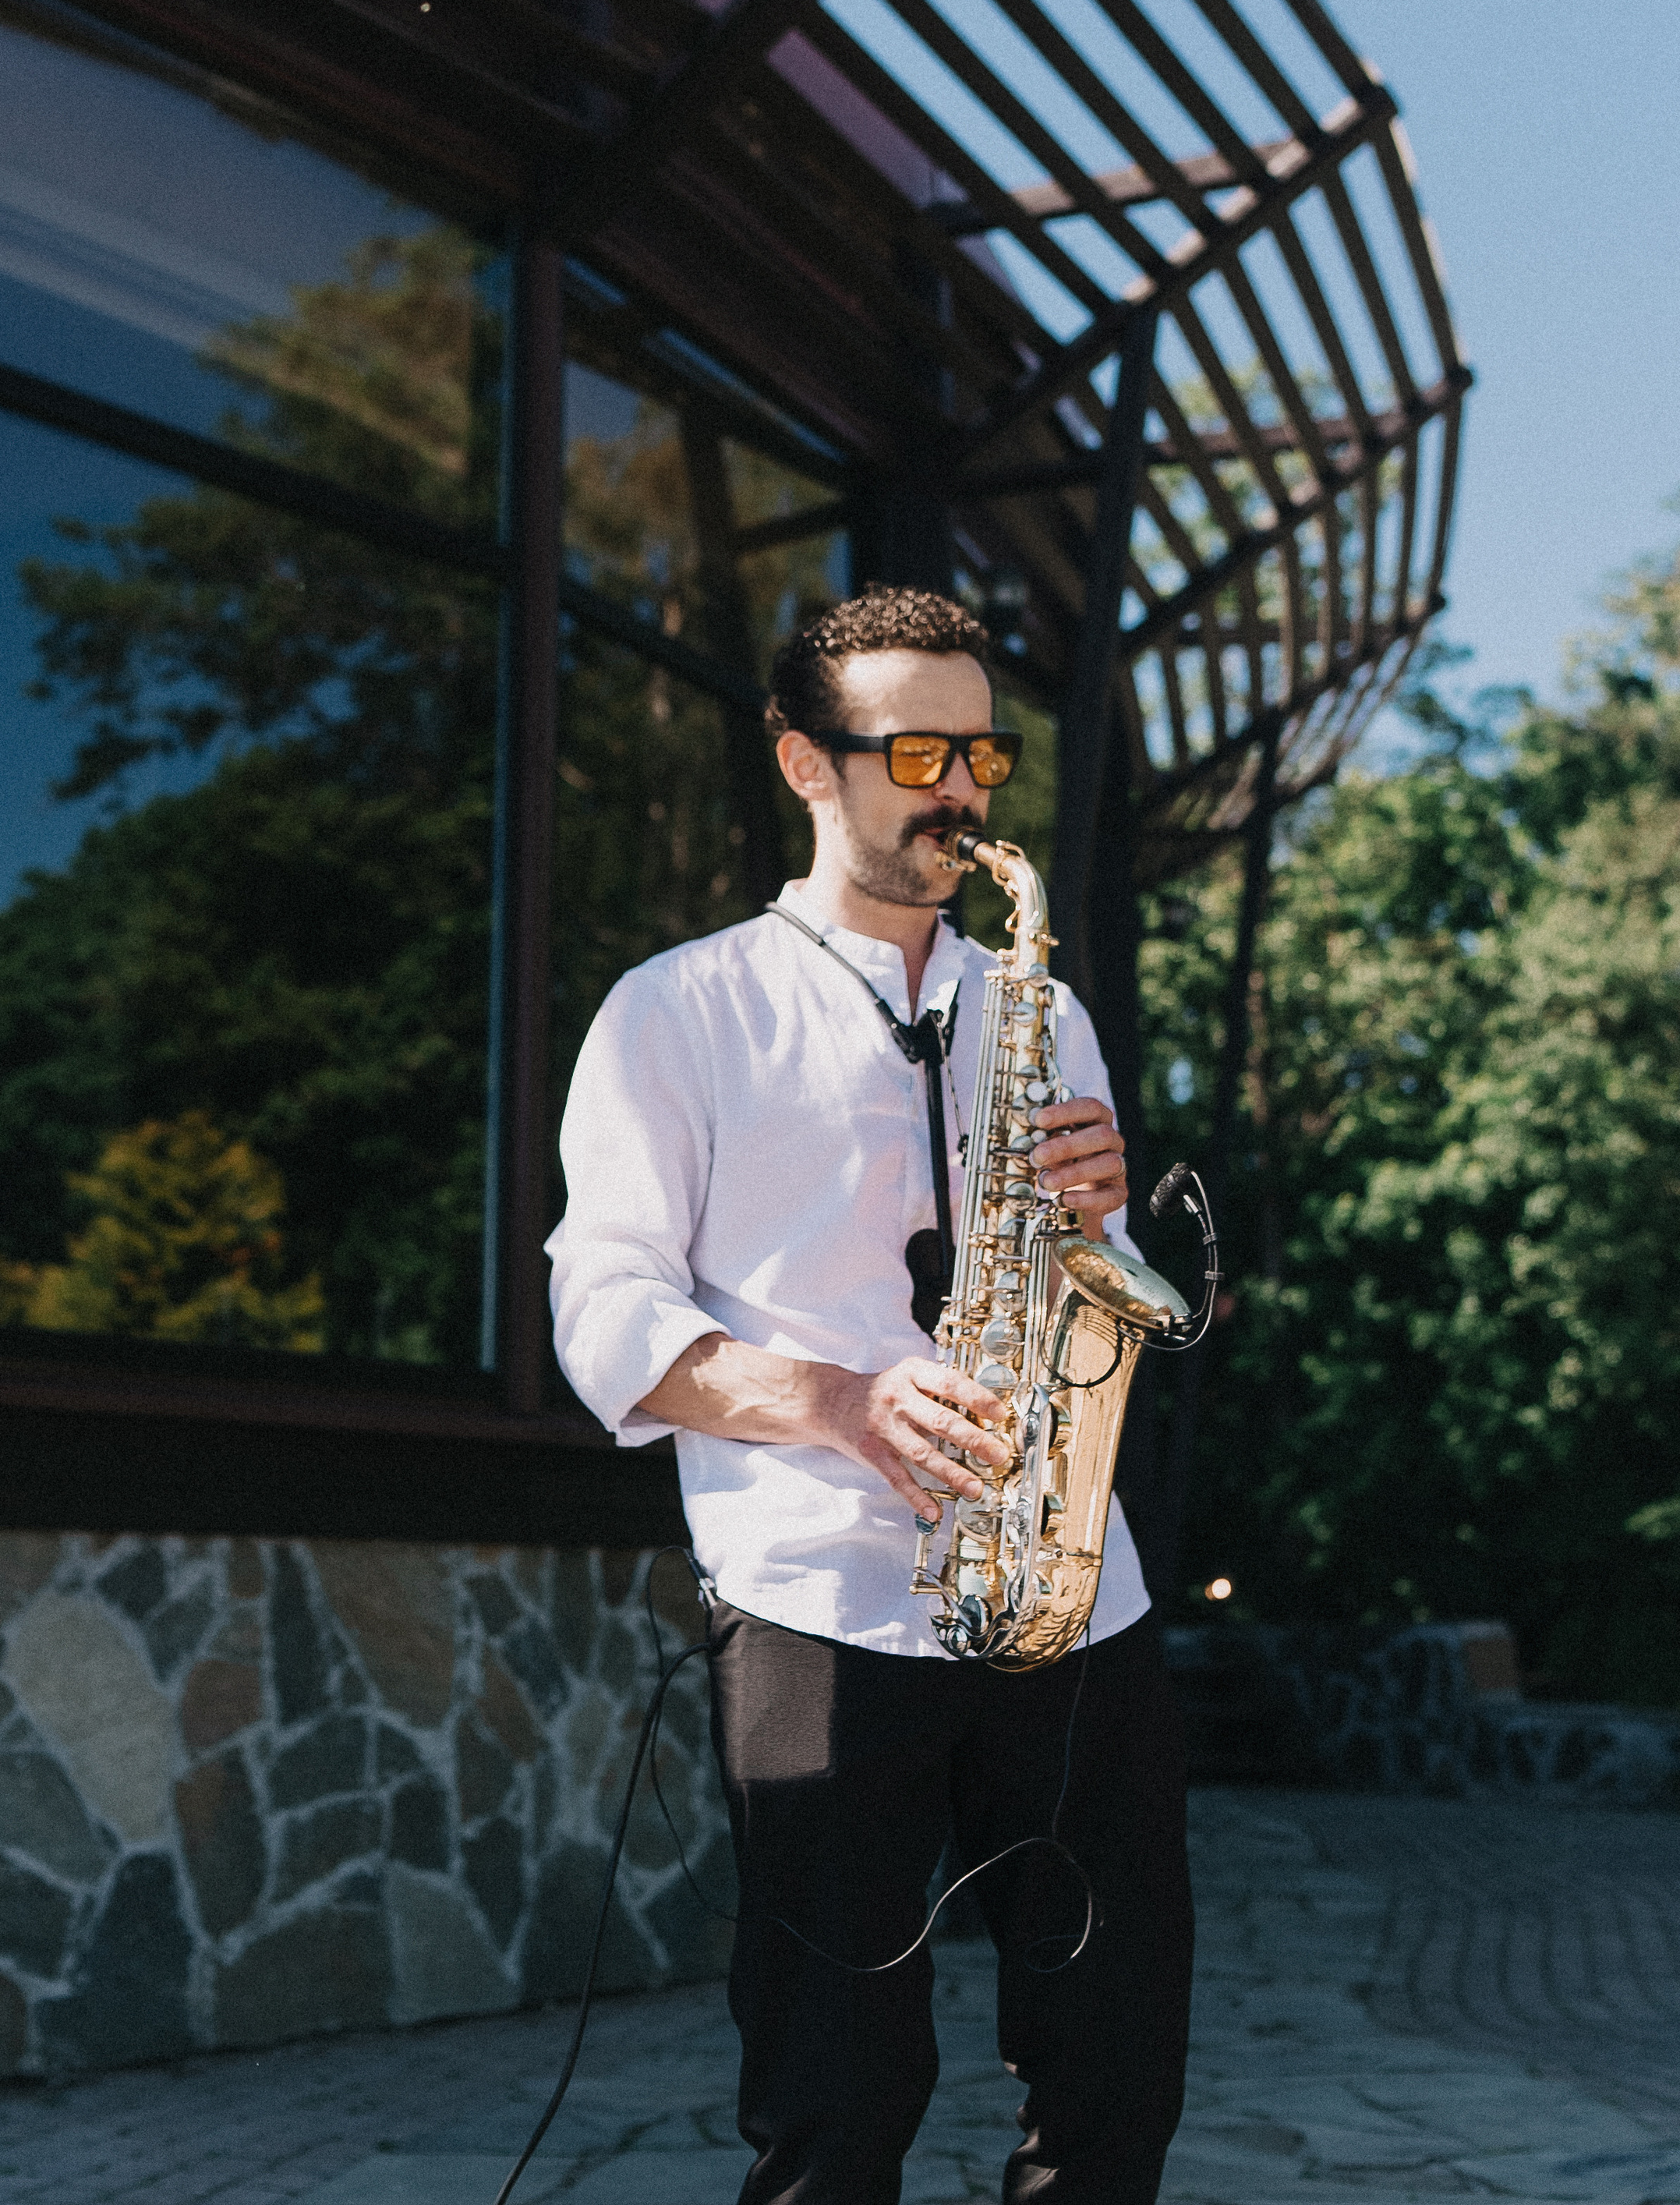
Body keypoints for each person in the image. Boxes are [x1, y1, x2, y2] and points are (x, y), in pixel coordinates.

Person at [549, 585, 1192, 2205]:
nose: (958, 786)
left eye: (980, 748)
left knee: (1116, 2074)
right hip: (819, 1593)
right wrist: (844, 1403)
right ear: (801, 765)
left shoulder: (1036, 1009)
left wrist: (1095, 1220)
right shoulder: (679, 1009)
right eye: (914, 748)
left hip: (1064, 1593)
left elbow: (1098, 1301)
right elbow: (600, 1308)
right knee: (835, 2101)